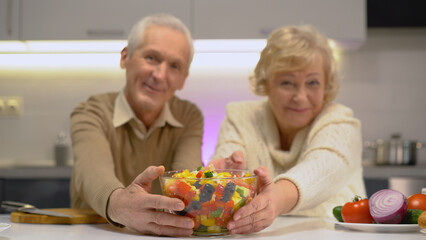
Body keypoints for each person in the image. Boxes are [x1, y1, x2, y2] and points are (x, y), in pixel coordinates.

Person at [209, 25, 366, 234]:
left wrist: (275, 199)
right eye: (287, 83)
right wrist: (226, 176)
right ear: (266, 83)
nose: (300, 97)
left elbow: (322, 167)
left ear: (326, 85)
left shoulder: (342, 122)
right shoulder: (241, 115)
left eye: (312, 82)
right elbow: (226, 158)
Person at [70, 13, 203, 236]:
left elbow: (185, 184)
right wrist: (118, 203)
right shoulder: (91, 112)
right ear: (125, 57)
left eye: (174, 66)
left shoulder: (189, 116)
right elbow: (91, 174)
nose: (160, 75)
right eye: (151, 58)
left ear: (183, 79)